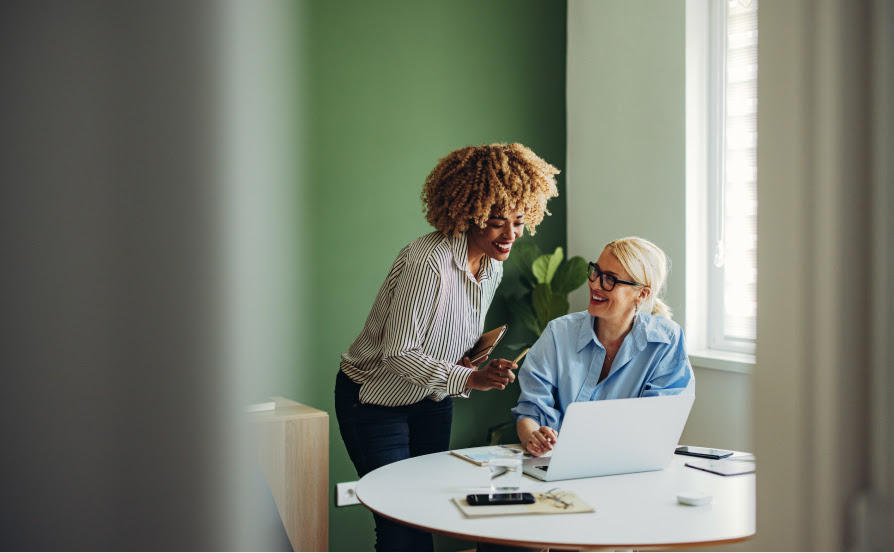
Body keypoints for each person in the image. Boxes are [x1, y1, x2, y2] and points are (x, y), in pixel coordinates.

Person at [336, 143, 559, 551]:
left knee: (423, 512)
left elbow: (443, 338)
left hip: (432, 398)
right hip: (373, 401)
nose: (510, 235)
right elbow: (399, 352)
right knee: (398, 522)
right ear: (466, 214)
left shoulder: (493, 264)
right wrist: (470, 376)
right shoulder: (428, 263)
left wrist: (472, 361)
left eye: (518, 220)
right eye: (496, 222)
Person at [512, 237, 694, 457]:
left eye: (610, 279)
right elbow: (530, 411)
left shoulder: (666, 341)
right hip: (556, 462)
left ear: (642, 294)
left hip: (629, 465)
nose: (595, 284)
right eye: (596, 271)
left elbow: (658, 425)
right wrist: (533, 436)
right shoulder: (558, 333)